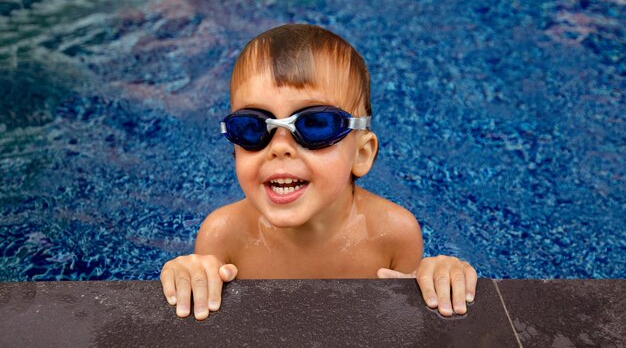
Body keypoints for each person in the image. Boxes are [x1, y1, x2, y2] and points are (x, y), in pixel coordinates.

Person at [160, 24, 477, 320]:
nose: (280, 147)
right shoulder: (223, 235)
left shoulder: (393, 234)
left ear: (362, 154)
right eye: (253, 126)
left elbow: (404, 325)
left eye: (314, 124)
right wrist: (191, 274)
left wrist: (437, 277)